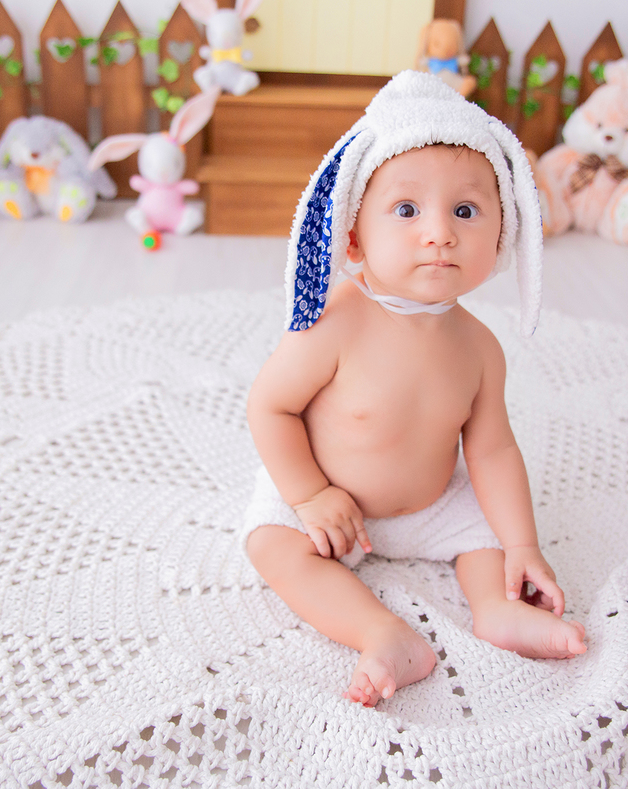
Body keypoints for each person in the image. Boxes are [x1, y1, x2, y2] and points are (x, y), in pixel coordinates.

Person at [243, 71, 587, 708]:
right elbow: (270, 406)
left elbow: (491, 453)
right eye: (407, 210)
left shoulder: (479, 347)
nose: (440, 232)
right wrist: (310, 494)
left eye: (465, 210)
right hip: (330, 500)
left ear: (504, 231)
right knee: (273, 546)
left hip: (430, 503)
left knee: (487, 524)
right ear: (352, 235)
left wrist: (522, 546)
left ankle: (496, 609)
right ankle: (382, 633)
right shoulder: (333, 323)